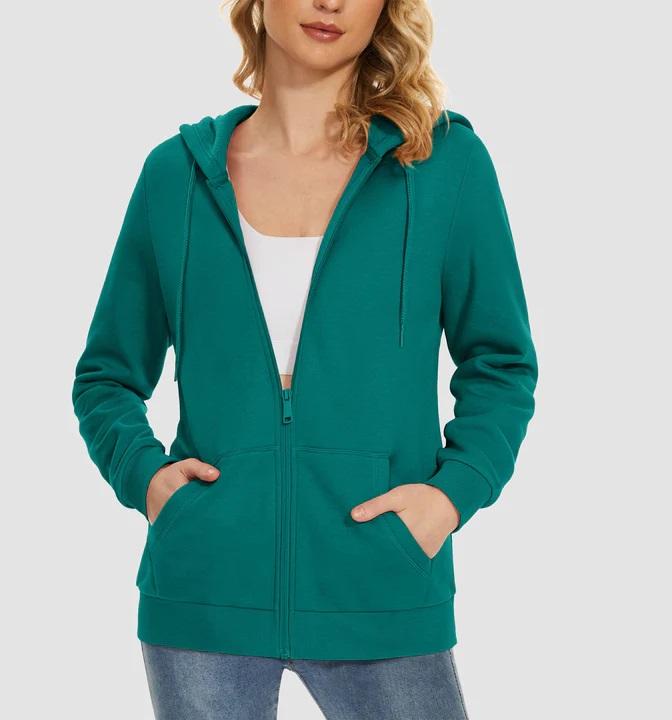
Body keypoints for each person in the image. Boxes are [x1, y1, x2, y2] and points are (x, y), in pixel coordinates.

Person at [71, 0, 538, 717]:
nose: (332, 3)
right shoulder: (177, 176)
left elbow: (501, 363)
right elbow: (105, 375)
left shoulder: (441, 164)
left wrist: (451, 496)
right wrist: (150, 480)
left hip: (381, 582)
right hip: (204, 593)